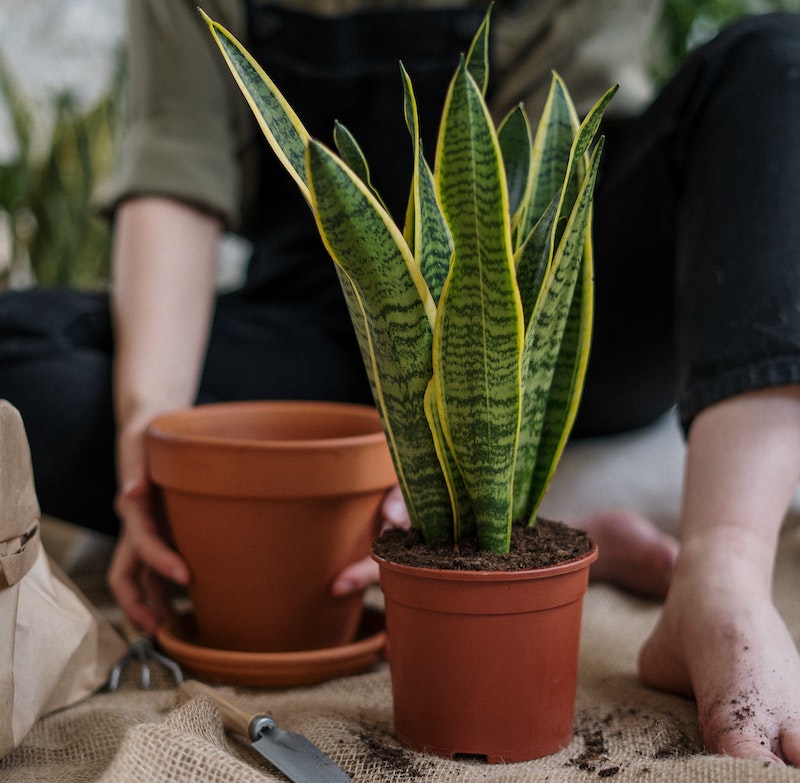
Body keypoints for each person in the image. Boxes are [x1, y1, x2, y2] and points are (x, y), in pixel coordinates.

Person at [1, 0, 799, 765]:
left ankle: (719, 566)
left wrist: (458, 390)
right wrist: (150, 448)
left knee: (777, 60)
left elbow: (542, 168)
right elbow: (177, 173)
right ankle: (531, 528)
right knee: (21, 351)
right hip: (316, 322)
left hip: (539, 333)